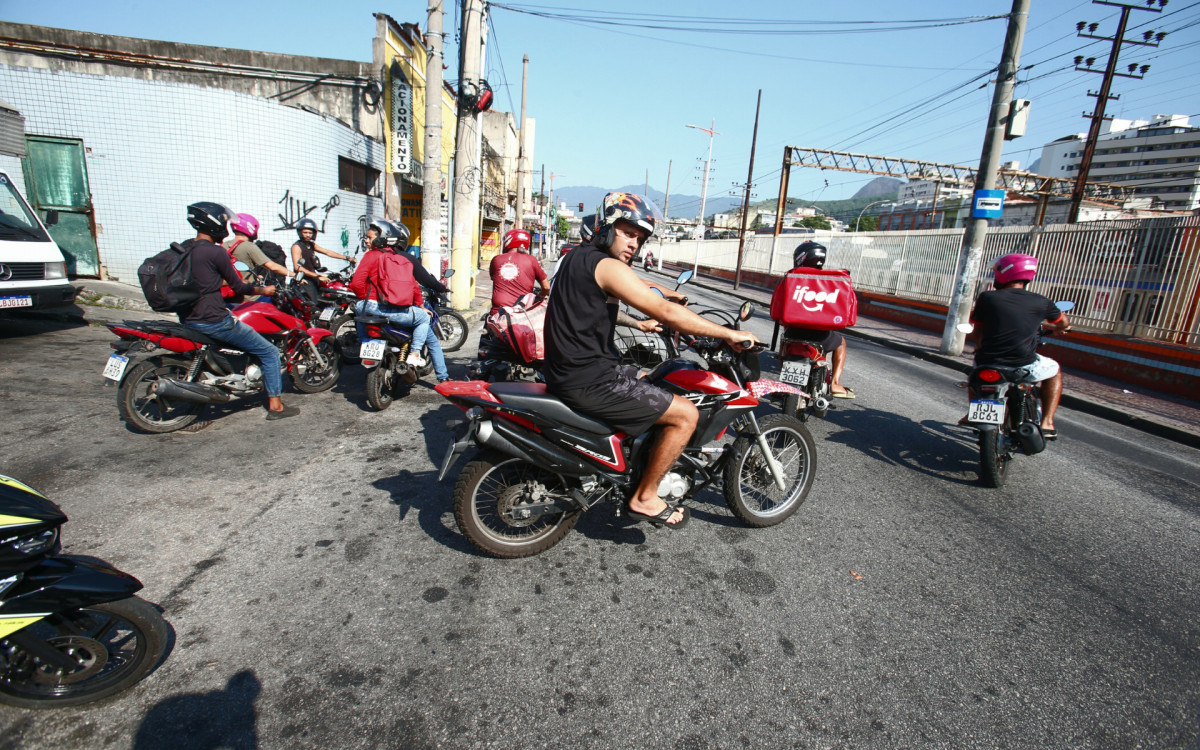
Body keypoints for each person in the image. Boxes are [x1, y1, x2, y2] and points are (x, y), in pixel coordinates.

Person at [544, 192, 759, 530]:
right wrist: (727, 333)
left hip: (573, 370)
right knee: (686, 415)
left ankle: (634, 462)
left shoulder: (579, 257)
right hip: (591, 379)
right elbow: (664, 312)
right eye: (628, 232)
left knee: (654, 377)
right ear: (606, 227)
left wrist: (671, 293)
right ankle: (644, 498)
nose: (634, 243)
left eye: (640, 238)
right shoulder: (607, 265)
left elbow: (638, 285)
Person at [178, 202, 297, 420]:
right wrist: (265, 290)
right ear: (214, 224)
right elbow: (240, 287)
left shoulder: (185, 248)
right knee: (270, 352)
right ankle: (276, 407)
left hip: (189, 316)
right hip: (214, 318)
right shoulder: (216, 252)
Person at [965, 252, 1071, 438]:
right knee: (1055, 370)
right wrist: (1063, 328)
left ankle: (973, 412)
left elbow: (978, 332)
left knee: (976, 377)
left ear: (1003, 273)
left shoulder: (987, 298)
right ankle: (1047, 422)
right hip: (1023, 363)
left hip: (988, 361)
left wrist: (979, 346)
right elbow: (1063, 322)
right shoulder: (1042, 301)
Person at [349, 219, 450, 383]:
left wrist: (368, 299)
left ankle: (362, 343)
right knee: (424, 319)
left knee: (360, 310)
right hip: (396, 311)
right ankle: (416, 355)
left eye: (369, 237)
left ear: (380, 238)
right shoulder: (402, 259)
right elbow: (414, 286)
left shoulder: (370, 256)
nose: (366, 240)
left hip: (370, 309)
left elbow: (356, 284)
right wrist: (421, 306)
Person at [778, 241, 854, 398]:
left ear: (800, 258)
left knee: (784, 338)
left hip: (793, 334)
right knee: (841, 343)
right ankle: (835, 383)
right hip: (821, 338)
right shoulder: (832, 280)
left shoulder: (791, 277)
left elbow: (777, 311)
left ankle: (784, 381)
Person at [489, 228, 549, 312]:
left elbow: (494, 278)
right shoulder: (531, 260)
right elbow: (546, 287)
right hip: (521, 313)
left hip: (497, 313)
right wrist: (539, 297)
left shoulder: (496, 259)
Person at [225, 213, 289, 282]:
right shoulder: (249, 246)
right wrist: (293, 274)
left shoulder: (224, 245)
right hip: (247, 287)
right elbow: (272, 266)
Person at [291, 218, 350, 287]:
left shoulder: (311, 245)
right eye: (305, 232)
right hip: (303, 281)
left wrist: (346, 258)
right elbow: (297, 268)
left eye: (310, 233)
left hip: (312, 278)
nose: (308, 235)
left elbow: (327, 252)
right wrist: (318, 276)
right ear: (300, 233)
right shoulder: (297, 247)